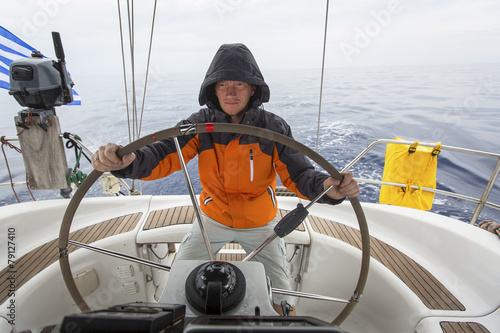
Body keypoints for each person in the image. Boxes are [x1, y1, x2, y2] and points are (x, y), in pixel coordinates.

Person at [92, 43, 360, 315]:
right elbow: (163, 154)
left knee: (280, 304)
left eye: (240, 84)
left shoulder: (273, 128)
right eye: (224, 85)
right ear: (213, 88)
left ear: (253, 88)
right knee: (175, 294)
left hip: (261, 222)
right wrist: (128, 161)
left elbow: (300, 174)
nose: (231, 92)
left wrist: (329, 189)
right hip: (213, 218)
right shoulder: (199, 124)